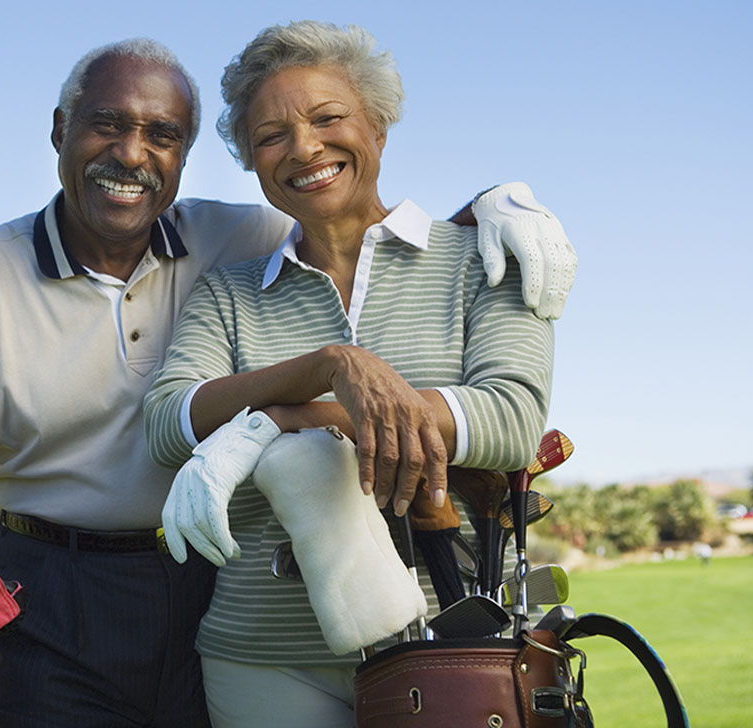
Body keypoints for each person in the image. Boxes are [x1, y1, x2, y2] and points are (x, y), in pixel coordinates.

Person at [0, 37, 575, 727]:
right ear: (59, 130)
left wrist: (498, 201)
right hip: (47, 586)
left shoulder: (237, 239)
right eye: (105, 125)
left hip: (200, 574)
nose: (131, 154)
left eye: (162, 135)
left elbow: (363, 225)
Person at [143, 21, 557, 727]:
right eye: (270, 135)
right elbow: (168, 422)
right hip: (261, 655)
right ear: (250, 159)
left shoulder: (481, 258)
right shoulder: (228, 293)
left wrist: (280, 419)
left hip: (452, 644)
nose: (303, 147)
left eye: (328, 118)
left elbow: (510, 420)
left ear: (378, 126)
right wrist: (330, 369)